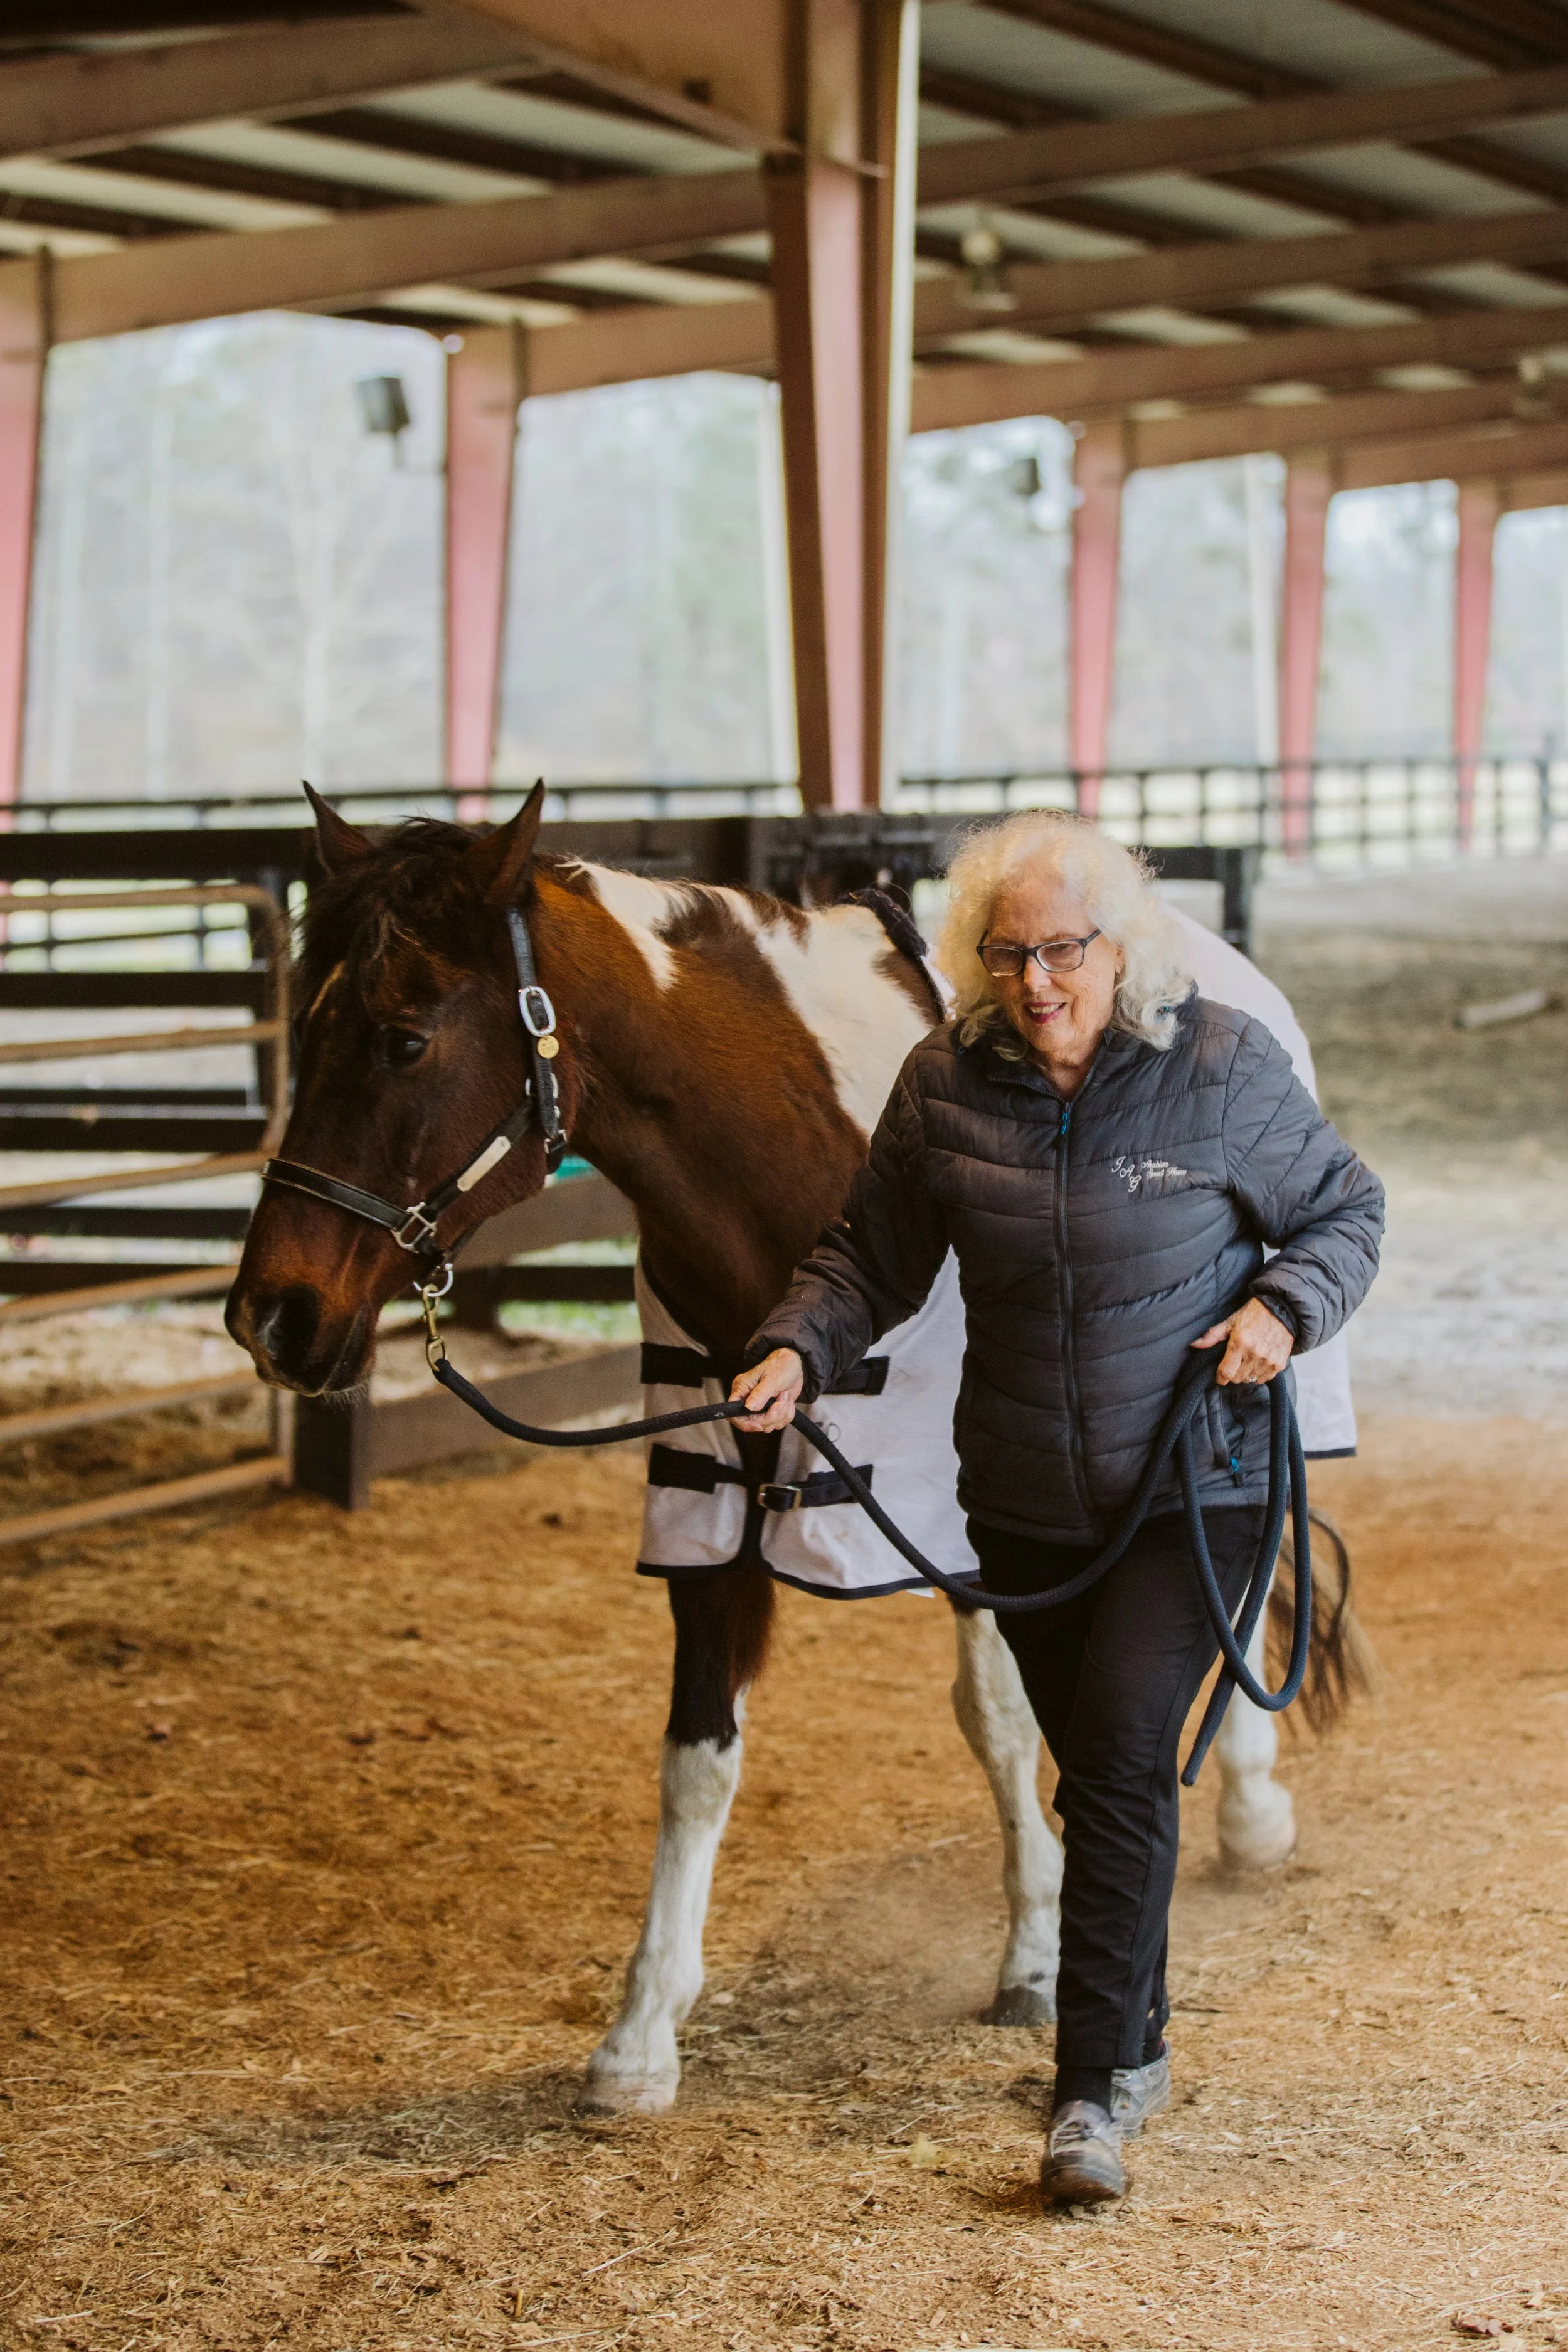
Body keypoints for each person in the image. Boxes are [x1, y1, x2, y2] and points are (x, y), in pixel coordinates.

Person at [730, 812, 1383, 2208]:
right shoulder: (944, 1084)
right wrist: (795, 1344)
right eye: (1009, 954)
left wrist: (1281, 1306)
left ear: (1119, 946)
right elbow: (866, 1258)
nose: (1035, 983)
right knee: (1095, 1778)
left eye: (1063, 952)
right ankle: (1132, 2035)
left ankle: (1087, 2094)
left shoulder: (1214, 1065)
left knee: (1127, 1756)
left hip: (1191, 1486)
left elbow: (1342, 1211)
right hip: (1024, 1502)